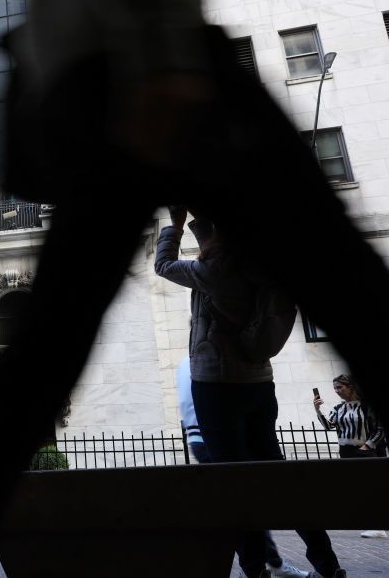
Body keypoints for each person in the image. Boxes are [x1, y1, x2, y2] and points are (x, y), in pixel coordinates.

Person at [0, 0, 389, 576]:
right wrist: (167, 63)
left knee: (51, 335)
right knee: (346, 280)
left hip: (89, 75)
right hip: (155, 63)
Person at [157, 210, 343, 578]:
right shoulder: (262, 266)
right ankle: (327, 562)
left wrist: (175, 225)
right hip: (259, 381)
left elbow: (163, 265)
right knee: (276, 472)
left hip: (216, 384)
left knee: (233, 482)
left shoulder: (213, 272)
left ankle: (254, 568)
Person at [177, 357, 309, 577]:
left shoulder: (187, 363)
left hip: (200, 438)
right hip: (216, 437)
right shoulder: (205, 362)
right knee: (245, 503)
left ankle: (266, 564)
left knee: (243, 502)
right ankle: (264, 566)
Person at [315, 374, 387, 539]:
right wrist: (318, 410)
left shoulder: (366, 406)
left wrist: (367, 446)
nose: (337, 391)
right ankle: (371, 523)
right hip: (346, 451)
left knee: (371, 487)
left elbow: (380, 429)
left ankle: (379, 526)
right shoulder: (339, 409)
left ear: (351, 387)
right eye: (335, 388)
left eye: (340, 387)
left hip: (364, 450)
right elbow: (328, 425)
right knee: (358, 488)